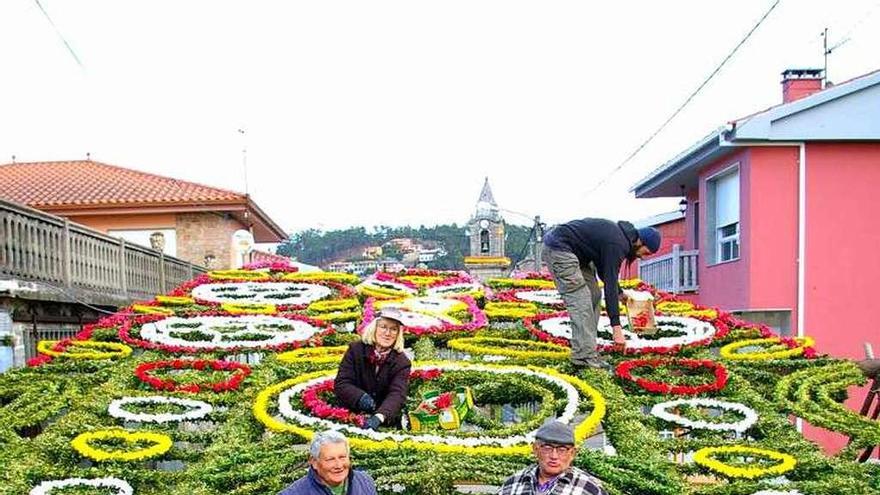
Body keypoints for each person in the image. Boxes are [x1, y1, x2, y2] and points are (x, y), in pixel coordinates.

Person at [541, 218, 660, 370]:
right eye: (646, 252)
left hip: (578, 255)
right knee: (581, 301)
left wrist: (620, 293)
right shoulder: (618, 244)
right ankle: (583, 358)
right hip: (559, 249)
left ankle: (588, 349)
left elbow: (605, 272)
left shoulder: (620, 239)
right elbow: (609, 283)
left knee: (594, 295)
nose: (642, 257)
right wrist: (616, 330)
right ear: (640, 242)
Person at [334, 308, 412, 429]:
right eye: (383, 327)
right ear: (374, 328)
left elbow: (397, 394)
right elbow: (342, 382)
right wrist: (360, 398)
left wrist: (379, 416)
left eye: (393, 329)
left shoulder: (402, 362)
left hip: (380, 419)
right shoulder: (356, 350)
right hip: (348, 414)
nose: (387, 333)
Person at [498, 420, 609, 495]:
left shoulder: (589, 488)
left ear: (572, 453)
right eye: (547, 448)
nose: (554, 456)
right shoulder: (513, 483)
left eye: (562, 449)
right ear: (536, 449)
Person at [278, 430, 377, 495]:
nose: (338, 465)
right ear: (314, 462)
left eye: (342, 457)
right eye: (330, 459)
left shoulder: (365, 482)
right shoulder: (294, 493)